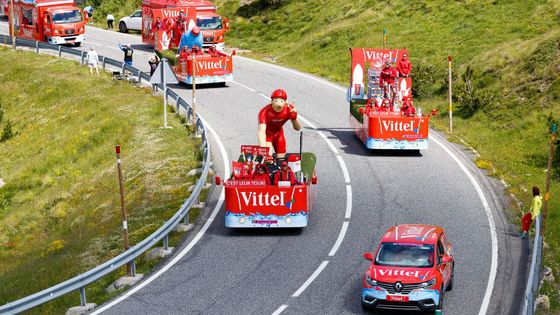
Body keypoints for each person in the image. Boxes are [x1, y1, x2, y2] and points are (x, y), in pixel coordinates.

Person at [258, 89, 301, 159]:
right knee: (268, 157)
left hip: (279, 135)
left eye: (281, 100)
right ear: (271, 101)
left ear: (285, 102)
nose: (279, 103)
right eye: (276, 100)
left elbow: (297, 128)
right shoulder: (264, 112)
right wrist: (263, 149)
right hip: (267, 136)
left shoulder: (289, 109)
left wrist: (294, 119)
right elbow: (261, 132)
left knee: (281, 159)